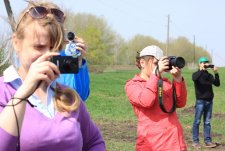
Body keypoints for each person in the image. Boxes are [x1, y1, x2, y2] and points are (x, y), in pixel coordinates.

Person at [0, 1, 105, 151]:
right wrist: (23, 93)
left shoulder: (68, 96)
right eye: (39, 47)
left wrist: (78, 63)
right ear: (16, 43)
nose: (49, 55)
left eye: (55, 48)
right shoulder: (3, 92)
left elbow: (94, 141)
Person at [124, 45, 187, 151]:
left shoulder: (165, 83)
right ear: (142, 63)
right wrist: (155, 74)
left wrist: (178, 79)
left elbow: (180, 103)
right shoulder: (132, 85)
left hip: (175, 143)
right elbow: (146, 101)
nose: (159, 67)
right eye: (155, 63)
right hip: (152, 144)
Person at [192, 57, 220, 149]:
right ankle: (195, 141)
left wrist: (216, 73)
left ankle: (207, 141)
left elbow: (217, 83)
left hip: (209, 101)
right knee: (197, 121)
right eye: (203, 62)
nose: (205, 64)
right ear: (200, 64)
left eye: (207, 63)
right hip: (200, 101)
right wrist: (201, 70)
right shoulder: (197, 74)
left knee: (207, 122)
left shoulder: (209, 75)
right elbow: (194, 78)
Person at [57, 35, 90, 101]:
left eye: (62, 24)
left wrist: (78, 62)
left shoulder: (66, 56)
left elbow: (81, 96)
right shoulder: (36, 56)